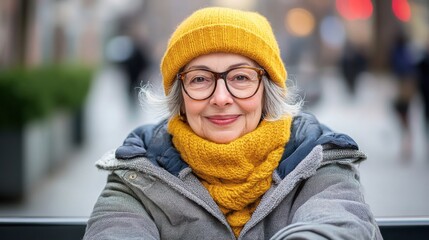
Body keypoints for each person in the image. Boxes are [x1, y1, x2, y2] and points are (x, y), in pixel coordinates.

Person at [84, 7, 382, 239]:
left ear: (268, 90)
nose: (221, 97)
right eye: (200, 79)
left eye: (241, 77)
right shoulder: (136, 176)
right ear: (179, 96)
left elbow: (339, 225)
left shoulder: (317, 159)